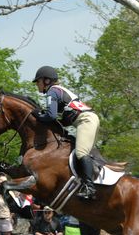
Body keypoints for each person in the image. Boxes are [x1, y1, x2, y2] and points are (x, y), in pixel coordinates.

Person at [32, 65, 100, 200]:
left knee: (81, 152)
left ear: (46, 81)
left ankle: (89, 188)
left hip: (85, 120)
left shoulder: (52, 91)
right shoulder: (58, 90)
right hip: (87, 119)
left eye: (38, 81)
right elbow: (61, 119)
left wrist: (38, 115)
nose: (37, 85)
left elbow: (51, 116)